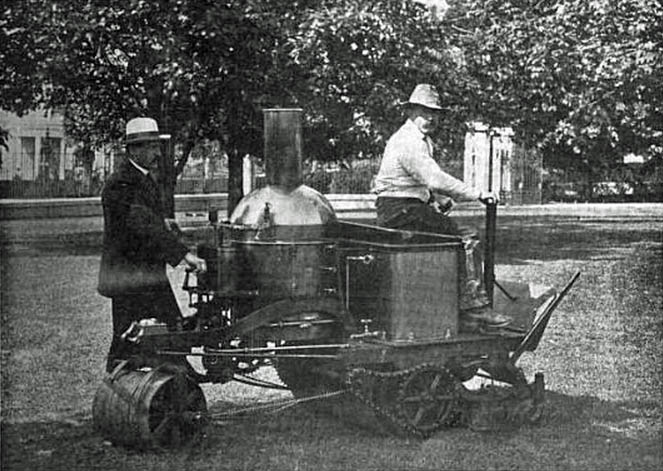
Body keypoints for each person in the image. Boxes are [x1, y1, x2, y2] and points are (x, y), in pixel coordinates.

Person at [373, 84, 511, 331]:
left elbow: (417, 180)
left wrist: (437, 199)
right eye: (424, 111)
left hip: (405, 208)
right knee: (466, 238)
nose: (430, 118)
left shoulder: (420, 140)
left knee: (448, 231)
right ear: (410, 111)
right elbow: (434, 178)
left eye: (435, 113)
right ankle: (475, 308)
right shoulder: (408, 141)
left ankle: (460, 303)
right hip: (401, 211)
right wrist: (478, 194)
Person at [97, 117, 207, 373]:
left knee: (155, 333)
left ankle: (162, 380)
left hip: (141, 273)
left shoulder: (140, 177)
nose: (157, 153)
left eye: (157, 146)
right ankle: (170, 385)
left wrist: (164, 222)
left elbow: (145, 219)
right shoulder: (122, 182)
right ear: (134, 149)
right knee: (152, 333)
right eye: (151, 147)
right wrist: (183, 255)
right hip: (131, 276)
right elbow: (141, 222)